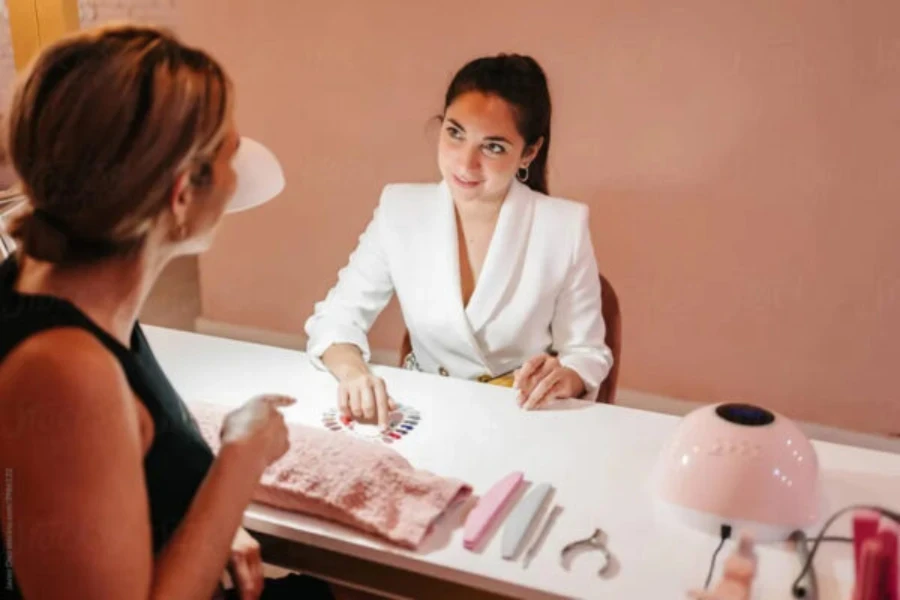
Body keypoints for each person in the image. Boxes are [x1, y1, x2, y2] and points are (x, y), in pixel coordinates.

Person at [0, 24, 333, 599]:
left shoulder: (57, 283)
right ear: (181, 196)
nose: (238, 177)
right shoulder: (64, 373)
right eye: (231, 152)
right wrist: (236, 466)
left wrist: (198, 526)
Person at [304, 54, 613, 429]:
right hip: (420, 412)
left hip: (520, 416)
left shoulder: (563, 226)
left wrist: (566, 375)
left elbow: (587, 352)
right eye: (455, 133)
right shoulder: (399, 209)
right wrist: (353, 373)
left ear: (528, 152)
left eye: (493, 147)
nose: (465, 164)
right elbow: (336, 317)